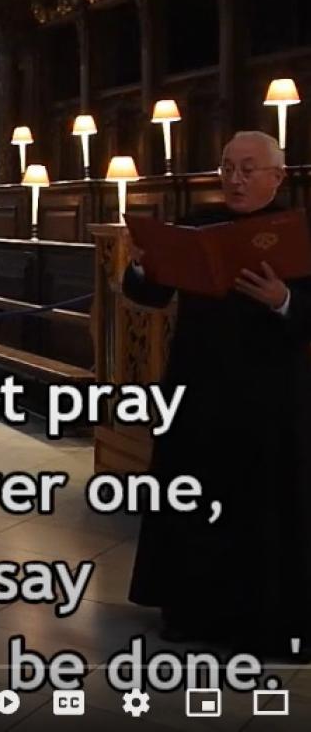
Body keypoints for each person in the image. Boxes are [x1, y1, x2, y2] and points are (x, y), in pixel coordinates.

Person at [123, 130, 311, 656]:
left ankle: (265, 621)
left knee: (262, 509)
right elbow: (148, 295)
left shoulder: (299, 231)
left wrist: (283, 301)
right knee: (193, 502)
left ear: (279, 175)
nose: (235, 178)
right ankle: (189, 611)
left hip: (270, 397)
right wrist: (142, 264)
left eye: (249, 169)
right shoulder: (197, 225)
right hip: (198, 390)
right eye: (228, 167)